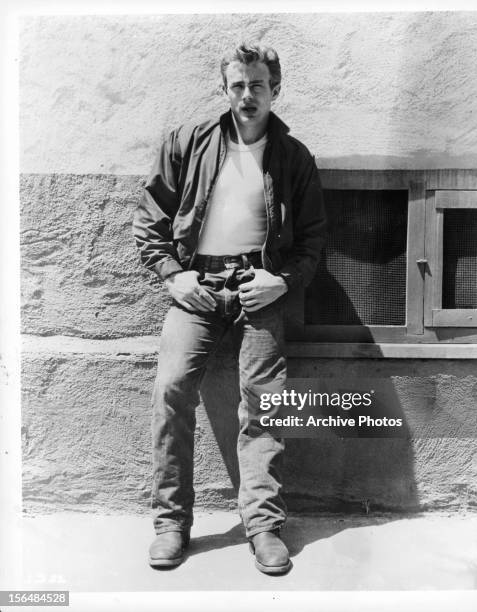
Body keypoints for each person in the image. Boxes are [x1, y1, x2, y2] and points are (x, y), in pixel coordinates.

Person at [133, 42, 326, 575]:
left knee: (264, 402)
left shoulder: (294, 157)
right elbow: (150, 223)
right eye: (238, 85)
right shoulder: (188, 143)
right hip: (197, 287)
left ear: (275, 90)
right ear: (226, 90)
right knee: (171, 387)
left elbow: (312, 242)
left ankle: (263, 526)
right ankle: (171, 523)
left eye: (257, 85)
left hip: (258, 286)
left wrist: (281, 281)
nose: (247, 95)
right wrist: (175, 277)